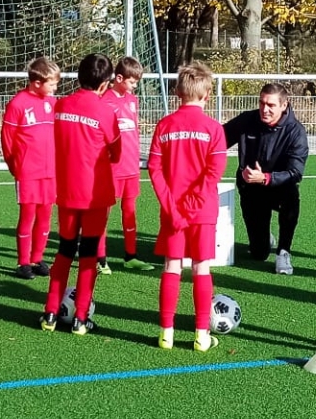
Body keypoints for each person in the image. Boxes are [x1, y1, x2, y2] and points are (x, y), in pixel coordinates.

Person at [147, 61, 229, 351]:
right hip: (202, 212)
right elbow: (214, 172)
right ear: (207, 94)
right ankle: (201, 336)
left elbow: (154, 169)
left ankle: (166, 333)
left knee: (171, 266)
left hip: (173, 212)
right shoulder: (213, 129)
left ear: (177, 93)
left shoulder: (164, 126)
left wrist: (172, 207)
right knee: (201, 268)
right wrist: (191, 206)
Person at [43, 53, 123, 335]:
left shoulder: (61, 105)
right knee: (88, 255)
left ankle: (50, 314)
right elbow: (116, 153)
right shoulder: (105, 112)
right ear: (104, 84)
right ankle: (80, 318)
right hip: (94, 195)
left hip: (66, 192)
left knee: (64, 251)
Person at [224, 81, 308, 274]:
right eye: (262, 103)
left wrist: (265, 178)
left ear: (284, 105)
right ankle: (263, 239)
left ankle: (283, 251)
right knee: (259, 253)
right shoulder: (247, 120)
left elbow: (295, 172)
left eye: (271, 105)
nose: (265, 109)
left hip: (279, 187)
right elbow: (219, 139)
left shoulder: (296, 131)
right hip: (251, 188)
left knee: (291, 197)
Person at [1, 56, 59, 278]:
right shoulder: (18, 103)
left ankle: (37, 258)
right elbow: (8, 139)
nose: (55, 88)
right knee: (28, 216)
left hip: (51, 171)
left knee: (45, 216)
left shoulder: (53, 103)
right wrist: (15, 165)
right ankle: (23, 262)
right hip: (27, 172)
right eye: (52, 84)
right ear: (37, 83)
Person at [108, 56, 150, 270]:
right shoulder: (104, 100)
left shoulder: (132, 100)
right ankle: (99, 258)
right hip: (112, 168)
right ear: (119, 78)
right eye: (132, 82)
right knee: (104, 212)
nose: (135, 86)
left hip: (132, 166)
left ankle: (130, 255)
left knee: (130, 211)